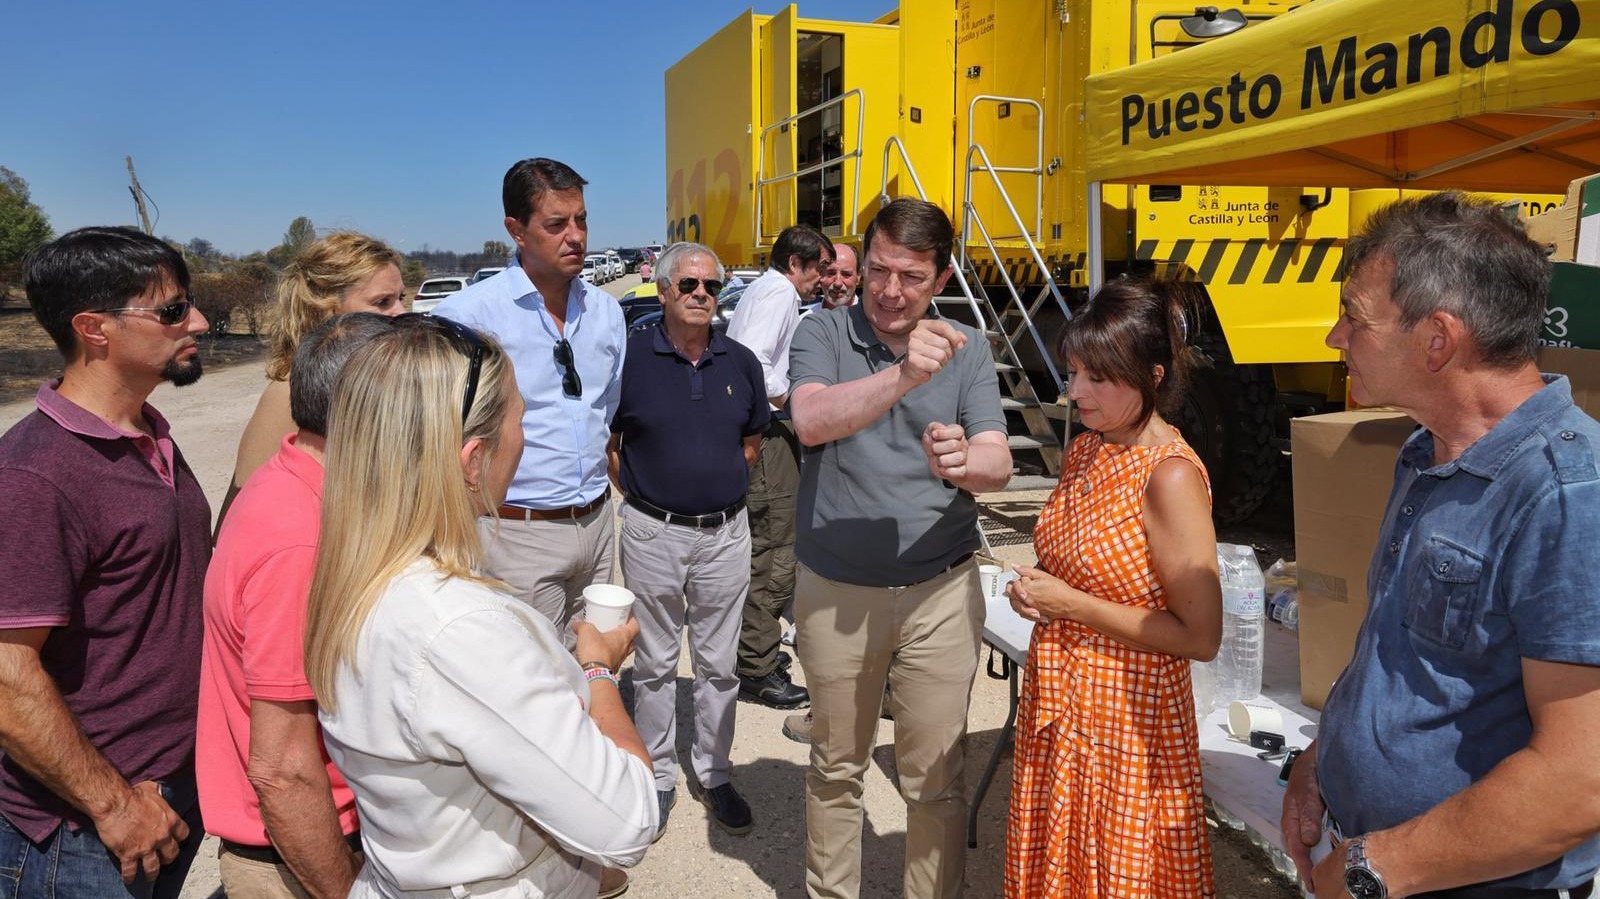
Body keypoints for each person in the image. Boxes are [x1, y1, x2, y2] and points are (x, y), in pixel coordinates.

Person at [1282, 191, 1600, 899]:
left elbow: (1580, 778)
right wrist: (1320, 760)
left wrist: (1376, 867)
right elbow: (1410, 660)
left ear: (1438, 339)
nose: (1336, 337)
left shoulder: (1566, 491)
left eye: (1354, 318)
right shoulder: (1428, 452)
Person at [305, 317, 657, 899]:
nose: (528, 439)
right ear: (472, 461)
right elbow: (627, 820)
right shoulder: (461, 628)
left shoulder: (355, 574)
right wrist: (597, 672)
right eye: (521, 419)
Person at [787, 198, 1012, 899]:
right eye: (878, 269)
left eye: (911, 277)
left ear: (940, 278)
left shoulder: (968, 346)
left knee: (936, 779)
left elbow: (998, 459)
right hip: (836, 588)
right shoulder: (822, 330)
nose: (889, 290)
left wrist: (962, 463)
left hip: (939, 593)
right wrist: (906, 376)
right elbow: (812, 420)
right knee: (835, 768)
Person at [0, 226, 211, 895]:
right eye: (172, 310)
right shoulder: (37, 473)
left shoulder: (149, 435)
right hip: (85, 831)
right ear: (94, 328)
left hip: (166, 796)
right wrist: (115, 806)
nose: (198, 321)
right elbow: (6, 671)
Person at [1003, 277, 1222, 899]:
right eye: (1074, 373)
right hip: (1067, 710)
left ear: (1153, 376)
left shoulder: (1171, 478)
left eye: (1098, 378)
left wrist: (1068, 605)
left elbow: (1200, 637)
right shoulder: (1088, 452)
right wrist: (1041, 595)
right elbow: (1077, 570)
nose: (1076, 393)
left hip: (1131, 726)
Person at [197, 313, 397, 899]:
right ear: (374, 411)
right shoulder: (301, 542)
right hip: (305, 853)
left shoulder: (292, 481)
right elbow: (282, 770)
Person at [608, 242, 769, 839]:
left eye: (711, 286)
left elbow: (750, 445)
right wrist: (652, 502)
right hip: (653, 532)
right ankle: (658, 776)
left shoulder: (741, 361)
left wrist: (712, 493)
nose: (702, 295)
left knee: (718, 665)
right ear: (665, 290)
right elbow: (611, 446)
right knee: (651, 664)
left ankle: (716, 771)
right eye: (689, 285)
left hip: (726, 534)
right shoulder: (630, 359)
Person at [435, 157, 626, 647]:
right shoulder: (466, 317)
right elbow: (438, 437)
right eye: (556, 224)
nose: (576, 236)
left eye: (581, 220)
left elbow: (606, 412)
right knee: (529, 685)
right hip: (516, 534)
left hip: (598, 526)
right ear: (516, 230)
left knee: (595, 671)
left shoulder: (607, 313)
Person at [221, 231, 406, 524]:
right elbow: (242, 516)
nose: (401, 312)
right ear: (327, 310)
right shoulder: (288, 393)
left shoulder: (380, 382)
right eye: (382, 302)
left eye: (400, 298)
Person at [724, 223, 834, 711]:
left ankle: (755, 654)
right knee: (773, 552)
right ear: (795, 265)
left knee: (770, 547)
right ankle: (757, 668)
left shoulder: (769, 292)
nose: (823, 281)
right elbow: (751, 361)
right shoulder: (779, 296)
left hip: (767, 432)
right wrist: (798, 399)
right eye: (819, 270)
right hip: (768, 435)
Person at [820, 242, 860, 309]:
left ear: (858, 277)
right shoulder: (803, 318)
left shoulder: (875, 318)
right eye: (831, 273)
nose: (837, 283)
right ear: (820, 274)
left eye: (846, 274)